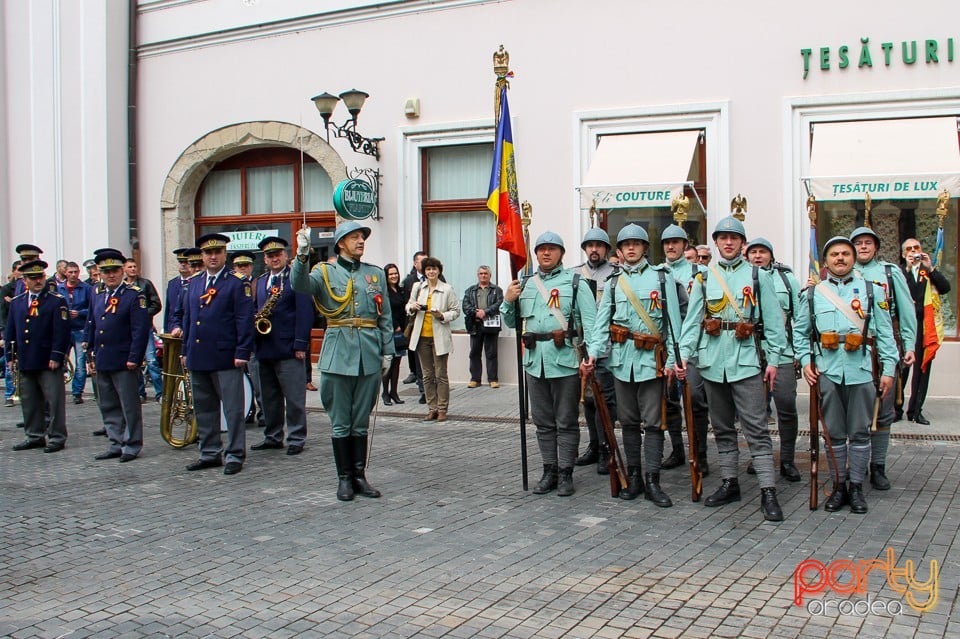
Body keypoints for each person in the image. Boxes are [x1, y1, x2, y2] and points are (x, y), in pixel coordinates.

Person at [675, 216, 787, 522]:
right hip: (712, 362)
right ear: (715, 242)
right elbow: (693, 320)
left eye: (733, 238)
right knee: (722, 428)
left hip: (745, 361)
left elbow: (775, 323)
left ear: (742, 243)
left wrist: (774, 360)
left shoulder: (757, 275)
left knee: (757, 430)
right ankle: (729, 483)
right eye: (722, 238)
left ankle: (768, 491)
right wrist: (684, 355)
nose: (728, 243)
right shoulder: (704, 277)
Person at [291, 221, 395, 501]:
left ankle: (360, 476)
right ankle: (344, 478)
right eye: (355, 237)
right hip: (338, 352)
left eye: (362, 237)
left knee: (360, 421)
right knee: (340, 421)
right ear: (340, 243)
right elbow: (299, 285)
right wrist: (302, 255)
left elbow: (384, 316)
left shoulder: (374, 274)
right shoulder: (324, 272)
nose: (361, 241)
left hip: (369, 353)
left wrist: (388, 351)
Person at [794, 236, 898, 514]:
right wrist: (805, 362)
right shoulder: (814, 294)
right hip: (827, 371)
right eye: (834, 254)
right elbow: (800, 334)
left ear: (853, 259)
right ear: (826, 261)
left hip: (861, 371)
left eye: (845, 254)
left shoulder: (871, 291)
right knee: (835, 434)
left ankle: (856, 488)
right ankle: (839, 486)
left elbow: (885, 334)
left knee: (860, 433)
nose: (840, 258)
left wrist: (889, 369)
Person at [501, 231, 600, 497]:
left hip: (565, 360)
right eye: (541, 249)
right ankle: (550, 470)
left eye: (552, 249)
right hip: (535, 362)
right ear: (535, 254)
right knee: (543, 422)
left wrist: (591, 356)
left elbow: (590, 323)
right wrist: (507, 300)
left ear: (562, 254)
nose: (546, 253)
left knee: (566, 421)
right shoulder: (525, 284)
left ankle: (566, 472)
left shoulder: (576, 282)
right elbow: (511, 322)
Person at [594, 224, 681, 505]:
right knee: (629, 422)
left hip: (652, 362)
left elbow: (674, 324)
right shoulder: (613, 282)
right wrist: (593, 354)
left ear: (645, 248)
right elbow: (601, 324)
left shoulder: (662, 279)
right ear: (619, 250)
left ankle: (653, 480)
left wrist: (676, 359)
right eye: (626, 244)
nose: (631, 248)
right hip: (621, 362)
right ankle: (634, 478)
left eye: (637, 243)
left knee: (654, 424)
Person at [170, 233, 254, 476]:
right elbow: (187, 318)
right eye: (208, 253)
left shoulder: (237, 282)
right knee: (204, 408)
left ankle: (235, 454)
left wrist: (242, 351)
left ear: (225, 254)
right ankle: (209, 453)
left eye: (217, 252)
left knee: (233, 409)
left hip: (226, 356)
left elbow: (244, 319)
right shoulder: (194, 282)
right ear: (203, 256)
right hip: (198, 355)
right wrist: (185, 350)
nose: (213, 256)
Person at [849, 226, 916, 490]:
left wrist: (909, 345)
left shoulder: (890, 272)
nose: (863, 247)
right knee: (854, 411)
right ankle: (854, 464)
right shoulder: (842, 272)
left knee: (883, 411)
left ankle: (878, 466)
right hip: (853, 352)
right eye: (859, 243)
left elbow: (906, 311)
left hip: (883, 350)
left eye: (868, 243)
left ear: (876, 247)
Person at [83, 249, 151, 462]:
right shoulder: (97, 293)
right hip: (103, 356)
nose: (110, 275)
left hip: (124, 359)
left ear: (122, 271)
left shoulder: (133, 294)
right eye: (105, 271)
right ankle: (115, 442)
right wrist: (89, 353)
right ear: (99, 273)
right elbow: (92, 323)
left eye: (114, 271)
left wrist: (135, 356)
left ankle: (131, 444)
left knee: (129, 404)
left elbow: (140, 330)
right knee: (108, 403)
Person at [745, 237, 802, 482]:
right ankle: (760, 456)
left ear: (771, 255)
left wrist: (800, 352)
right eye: (753, 252)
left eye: (762, 252)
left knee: (786, 405)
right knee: (754, 411)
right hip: (751, 352)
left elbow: (800, 320)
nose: (757, 256)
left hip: (784, 352)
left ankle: (787, 459)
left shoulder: (788, 280)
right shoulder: (741, 279)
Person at [250, 237, 312, 455]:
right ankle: (273, 436)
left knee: (294, 397)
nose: (274, 258)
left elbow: (305, 313)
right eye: (270, 256)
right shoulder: (258, 282)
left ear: (286, 256)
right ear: (265, 260)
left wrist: (300, 344)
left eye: (278, 254)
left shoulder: (296, 279)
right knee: (268, 398)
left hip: (288, 349)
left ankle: (296, 437)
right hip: (264, 348)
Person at [4, 259, 71, 452]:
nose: (37, 281)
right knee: (30, 400)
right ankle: (34, 435)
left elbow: (62, 332)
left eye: (40, 276)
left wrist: (57, 356)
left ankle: (57, 436)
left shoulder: (56, 301)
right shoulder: (17, 303)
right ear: (25, 280)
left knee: (54, 400)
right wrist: (10, 356)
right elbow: (11, 331)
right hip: (26, 358)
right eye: (32, 278)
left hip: (47, 359)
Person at [659, 224, 710, 475]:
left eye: (676, 242)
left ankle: (699, 454)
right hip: (666, 347)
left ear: (685, 245)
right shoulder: (657, 274)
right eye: (667, 243)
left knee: (696, 401)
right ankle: (678, 450)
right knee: (668, 401)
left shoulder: (701, 272)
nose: (671, 246)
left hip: (695, 348)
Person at [570, 228, 618, 474]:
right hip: (581, 345)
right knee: (587, 400)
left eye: (599, 246)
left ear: (606, 249)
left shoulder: (615, 274)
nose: (594, 250)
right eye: (590, 245)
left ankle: (606, 447)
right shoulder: (574, 274)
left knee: (605, 400)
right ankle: (593, 445)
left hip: (606, 346)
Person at [899, 237, 950, 426]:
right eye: (909, 249)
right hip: (905, 326)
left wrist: (931, 268)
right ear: (904, 254)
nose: (913, 251)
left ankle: (915, 411)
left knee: (922, 369)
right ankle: (896, 408)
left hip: (924, 326)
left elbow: (945, 288)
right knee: (902, 369)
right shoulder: (899, 272)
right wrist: (906, 269)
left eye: (916, 247)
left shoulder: (927, 272)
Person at [406, 257, 461, 423]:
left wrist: (442, 315)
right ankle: (432, 408)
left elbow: (456, 311)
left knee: (441, 375)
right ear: (424, 271)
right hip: (422, 337)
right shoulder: (418, 287)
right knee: (427, 376)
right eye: (428, 269)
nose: (431, 272)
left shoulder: (447, 289)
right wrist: (412, 307)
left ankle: (443, 409)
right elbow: (408, 306)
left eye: (434, 269)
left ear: (439, 271)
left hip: (439, 337)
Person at [123, 258, 163, 401]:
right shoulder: (123, 286)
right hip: (128, 330)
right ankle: (140, 392)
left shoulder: (145, 284)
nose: (133, 269)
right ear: (124, 269)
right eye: (130, 267)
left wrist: (143, 315)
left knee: (152, 360)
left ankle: (160, 393)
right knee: (135, 362)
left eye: (135, 266)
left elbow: (156, 304)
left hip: (145, 328)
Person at [57, 261, 93, 404]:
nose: (73, 275)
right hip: (64, 329)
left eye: (75, 272)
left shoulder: (86, 288)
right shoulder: (59, 288)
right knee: (59, 360)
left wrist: (79, 313)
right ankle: (58, 389)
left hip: (80, 328)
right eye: (70, 272)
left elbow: (92, 309)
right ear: (65, 272)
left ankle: (77, 392)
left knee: (80, 362)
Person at [462, 265, 503, 389]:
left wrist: (486, 311)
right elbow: (465, 306)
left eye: (485, 273)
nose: (483, 275)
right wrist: (476, 312)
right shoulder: (470, 290)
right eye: (481, 273)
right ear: (477, 275)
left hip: (490, 324)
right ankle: (475, 379)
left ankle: (493, 379)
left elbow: (499, 303)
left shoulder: (497, 290)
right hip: (475, 324)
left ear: (490, 275)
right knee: (474, 353)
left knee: (491, 353)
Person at [401, 251, 427, 399]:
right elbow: (405, 303)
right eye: (422, 262)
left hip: (431, 323)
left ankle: (431, 388)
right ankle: (423, 389)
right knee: (418, 358)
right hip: (414, 323)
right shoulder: (409, 281)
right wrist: (411, 307)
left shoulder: (438, 278)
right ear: (415, 264)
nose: (425, 265)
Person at [382, 263, 408, 405]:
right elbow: (384, 310)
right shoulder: (384, 291)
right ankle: (385, 393)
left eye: (395, 273)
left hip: (401, 333)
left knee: (397, 364)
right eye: (391, 274)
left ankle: (394, 392)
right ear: (386, 276)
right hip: (389, 331)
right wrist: (395, 325)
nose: (394, 276)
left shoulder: (400, 290)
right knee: (388, 363)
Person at [1, 260, 22, 407]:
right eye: (20, 270)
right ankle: (10, 394)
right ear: (14, 271)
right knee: (10, 362)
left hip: (24, 330)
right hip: (10, 328)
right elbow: (2, 312)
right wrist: (3, 332)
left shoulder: (26, 287)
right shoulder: (8, 289)